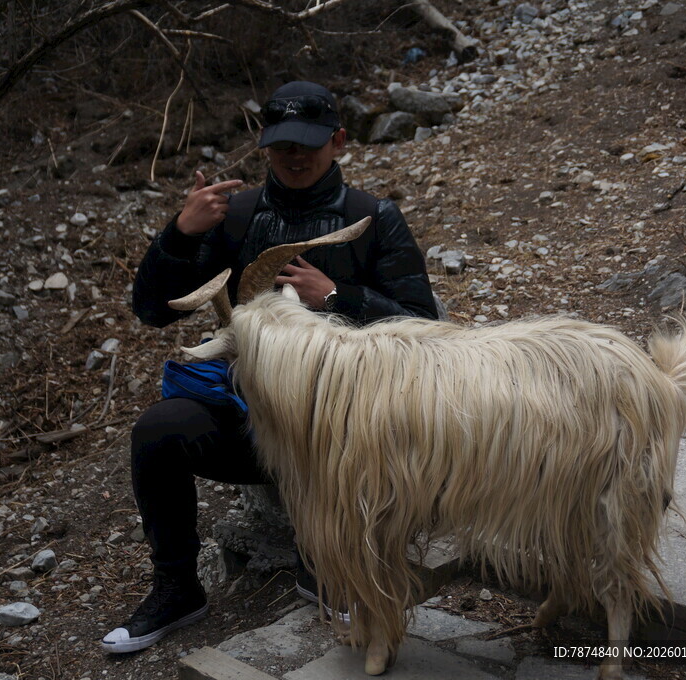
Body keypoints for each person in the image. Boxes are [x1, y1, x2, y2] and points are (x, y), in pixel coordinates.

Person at [102, 80, 439, 654]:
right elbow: (151, 311)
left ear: (338, 140)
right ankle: (178, 588)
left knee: (349, 430)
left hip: (349, 425)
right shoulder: (233, 216)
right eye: (282, 143)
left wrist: (337, 297)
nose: (295, 155)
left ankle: (332, 562)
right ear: (264, 146)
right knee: (158, 432)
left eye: (309, 142)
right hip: (250, 417)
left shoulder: (374, 217)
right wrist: (179, 235)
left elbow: (426, 331)